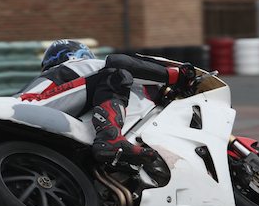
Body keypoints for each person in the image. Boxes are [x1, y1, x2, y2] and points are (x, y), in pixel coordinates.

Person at [17, 39, 196, 165]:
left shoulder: (63, 80)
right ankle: (110, 139)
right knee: (115, 74)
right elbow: (119, 62)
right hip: (31, 107)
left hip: (35, 116)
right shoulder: (75, 65)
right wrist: (175, 75)